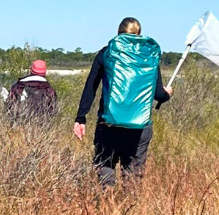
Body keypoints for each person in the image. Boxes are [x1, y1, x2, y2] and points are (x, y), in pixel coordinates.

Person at [73, 18, 171, 187]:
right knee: (133, 176)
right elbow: (158, 94)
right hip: (139, 127)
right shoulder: (149, 56)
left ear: (119, 33)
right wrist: (167, 94)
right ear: (139, 34)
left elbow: (91, 86)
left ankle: (106, 207)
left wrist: (81, 117)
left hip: (108, 124)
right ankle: (129, 211)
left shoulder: (107, 52)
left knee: (105, 168)